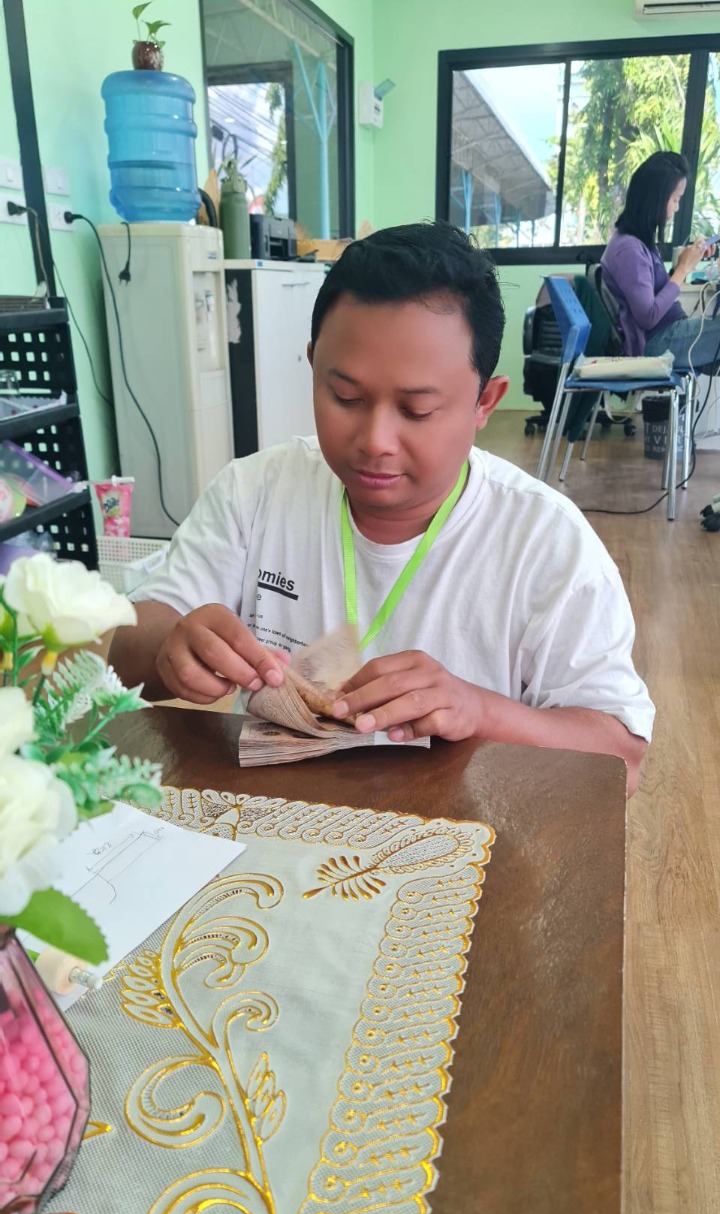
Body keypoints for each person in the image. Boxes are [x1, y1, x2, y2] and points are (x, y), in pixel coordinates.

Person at [110, 222, 654, 794]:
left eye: (417, 411)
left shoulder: (544, 543)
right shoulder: (256, 492)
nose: (375, 440)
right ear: (313, 366)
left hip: (470, 828)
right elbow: (126, 644)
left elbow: (623, 758)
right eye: (345, 397)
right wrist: (171, 647)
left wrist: (478, 711)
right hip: (279, 814)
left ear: (484, 402)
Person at [601, 151, 720, 367]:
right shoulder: (629, 249)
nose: (677, 207)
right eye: (675, 199)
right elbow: (648, 316)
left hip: (664, 333)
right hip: (655, 343)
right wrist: (682, 270)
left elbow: (652, 294)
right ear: (655, 199)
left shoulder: (639, 241)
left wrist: (682, 264)